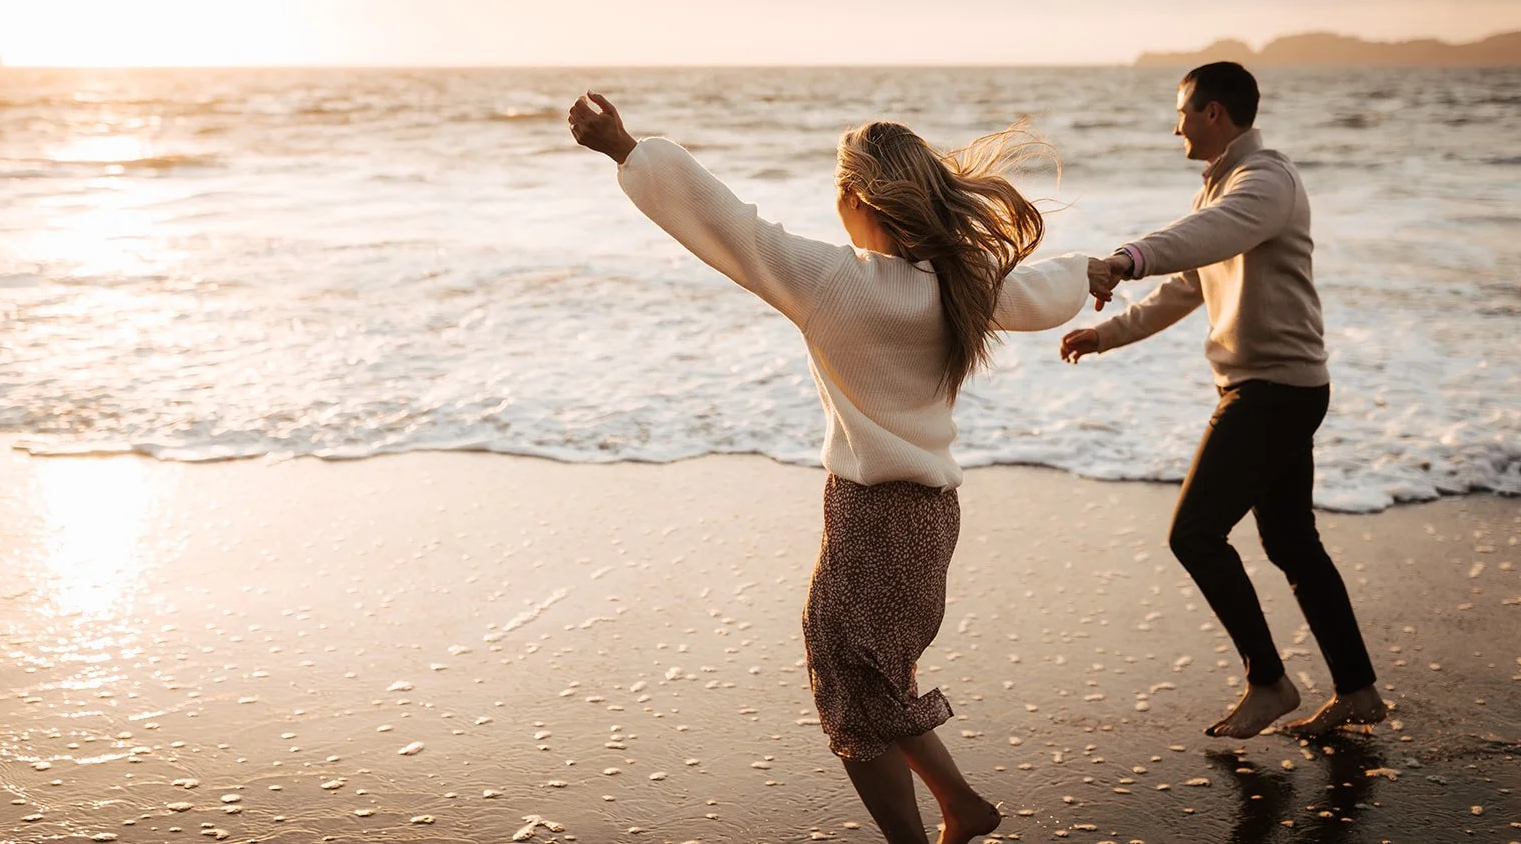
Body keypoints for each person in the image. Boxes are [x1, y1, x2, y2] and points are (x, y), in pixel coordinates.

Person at [568, 92, 1094, 844]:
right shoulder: (962, 282)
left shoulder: (833, 281)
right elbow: (1041, 291)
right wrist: (1098, 270)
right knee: (870, 674)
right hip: (932, 517)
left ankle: (941, 820)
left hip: (873, 513)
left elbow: (729, 225)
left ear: (854, 197)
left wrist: (626, 149)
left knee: (850, 674)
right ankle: (959, 807)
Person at [1060, 62, 1387, 740]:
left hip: (1272, 390)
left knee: (1195, 534)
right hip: (1277, 387)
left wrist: (1126, 256)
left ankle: (1269, 682)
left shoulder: (1264, 180)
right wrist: (1106, 333)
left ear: (1213, 113)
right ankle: (1357, 691)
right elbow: (1186, 283)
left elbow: (1202, 240)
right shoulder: (1225, 191)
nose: (1174, 123)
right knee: (1292, 542)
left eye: (1182, 110)